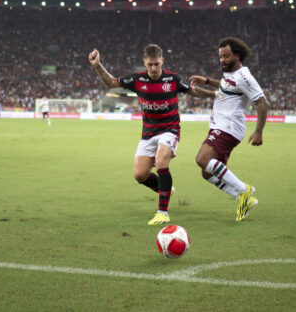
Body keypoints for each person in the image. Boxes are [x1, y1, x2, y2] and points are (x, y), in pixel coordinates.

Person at [88, 44, 214, 226]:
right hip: (148, 133)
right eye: (150, 65)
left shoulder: (173, 79)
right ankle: (166, 189)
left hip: (170, 129)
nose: (154, 68)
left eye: (156, 64)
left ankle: (163, 212)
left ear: (162, 60)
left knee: (162, 162)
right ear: (144, 63)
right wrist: (97, 65)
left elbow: (195, 91)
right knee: (140, 175)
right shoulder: (137, 79)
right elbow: (111, 82)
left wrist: (216, 94)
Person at [189, 37, 270, 222]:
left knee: (202, 159)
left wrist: (259, 131)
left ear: (237, 56)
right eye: (220, 57)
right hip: (220, 125)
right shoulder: (229, 73)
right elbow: (227, 85)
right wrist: (208, 81)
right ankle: (243, 200)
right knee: (207, 173)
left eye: (226, 57)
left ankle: (244, 190)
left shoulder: (245, 77)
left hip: (229, 126)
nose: (222, 60)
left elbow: (263, 103)